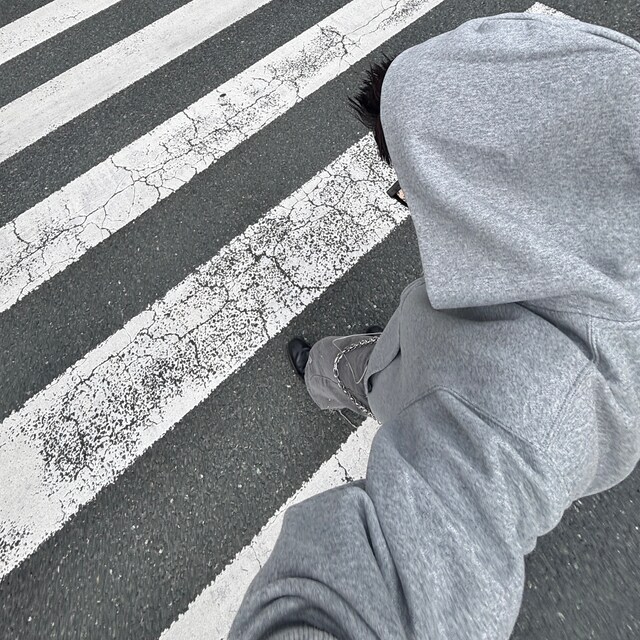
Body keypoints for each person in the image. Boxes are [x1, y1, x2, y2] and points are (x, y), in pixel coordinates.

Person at [229, 11, 640, 639]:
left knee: (359, 371)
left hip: (418, 382)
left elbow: (389, 587)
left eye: (411, 186)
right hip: (455, 356)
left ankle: (332, 373)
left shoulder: (528, 406)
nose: (408, 202)